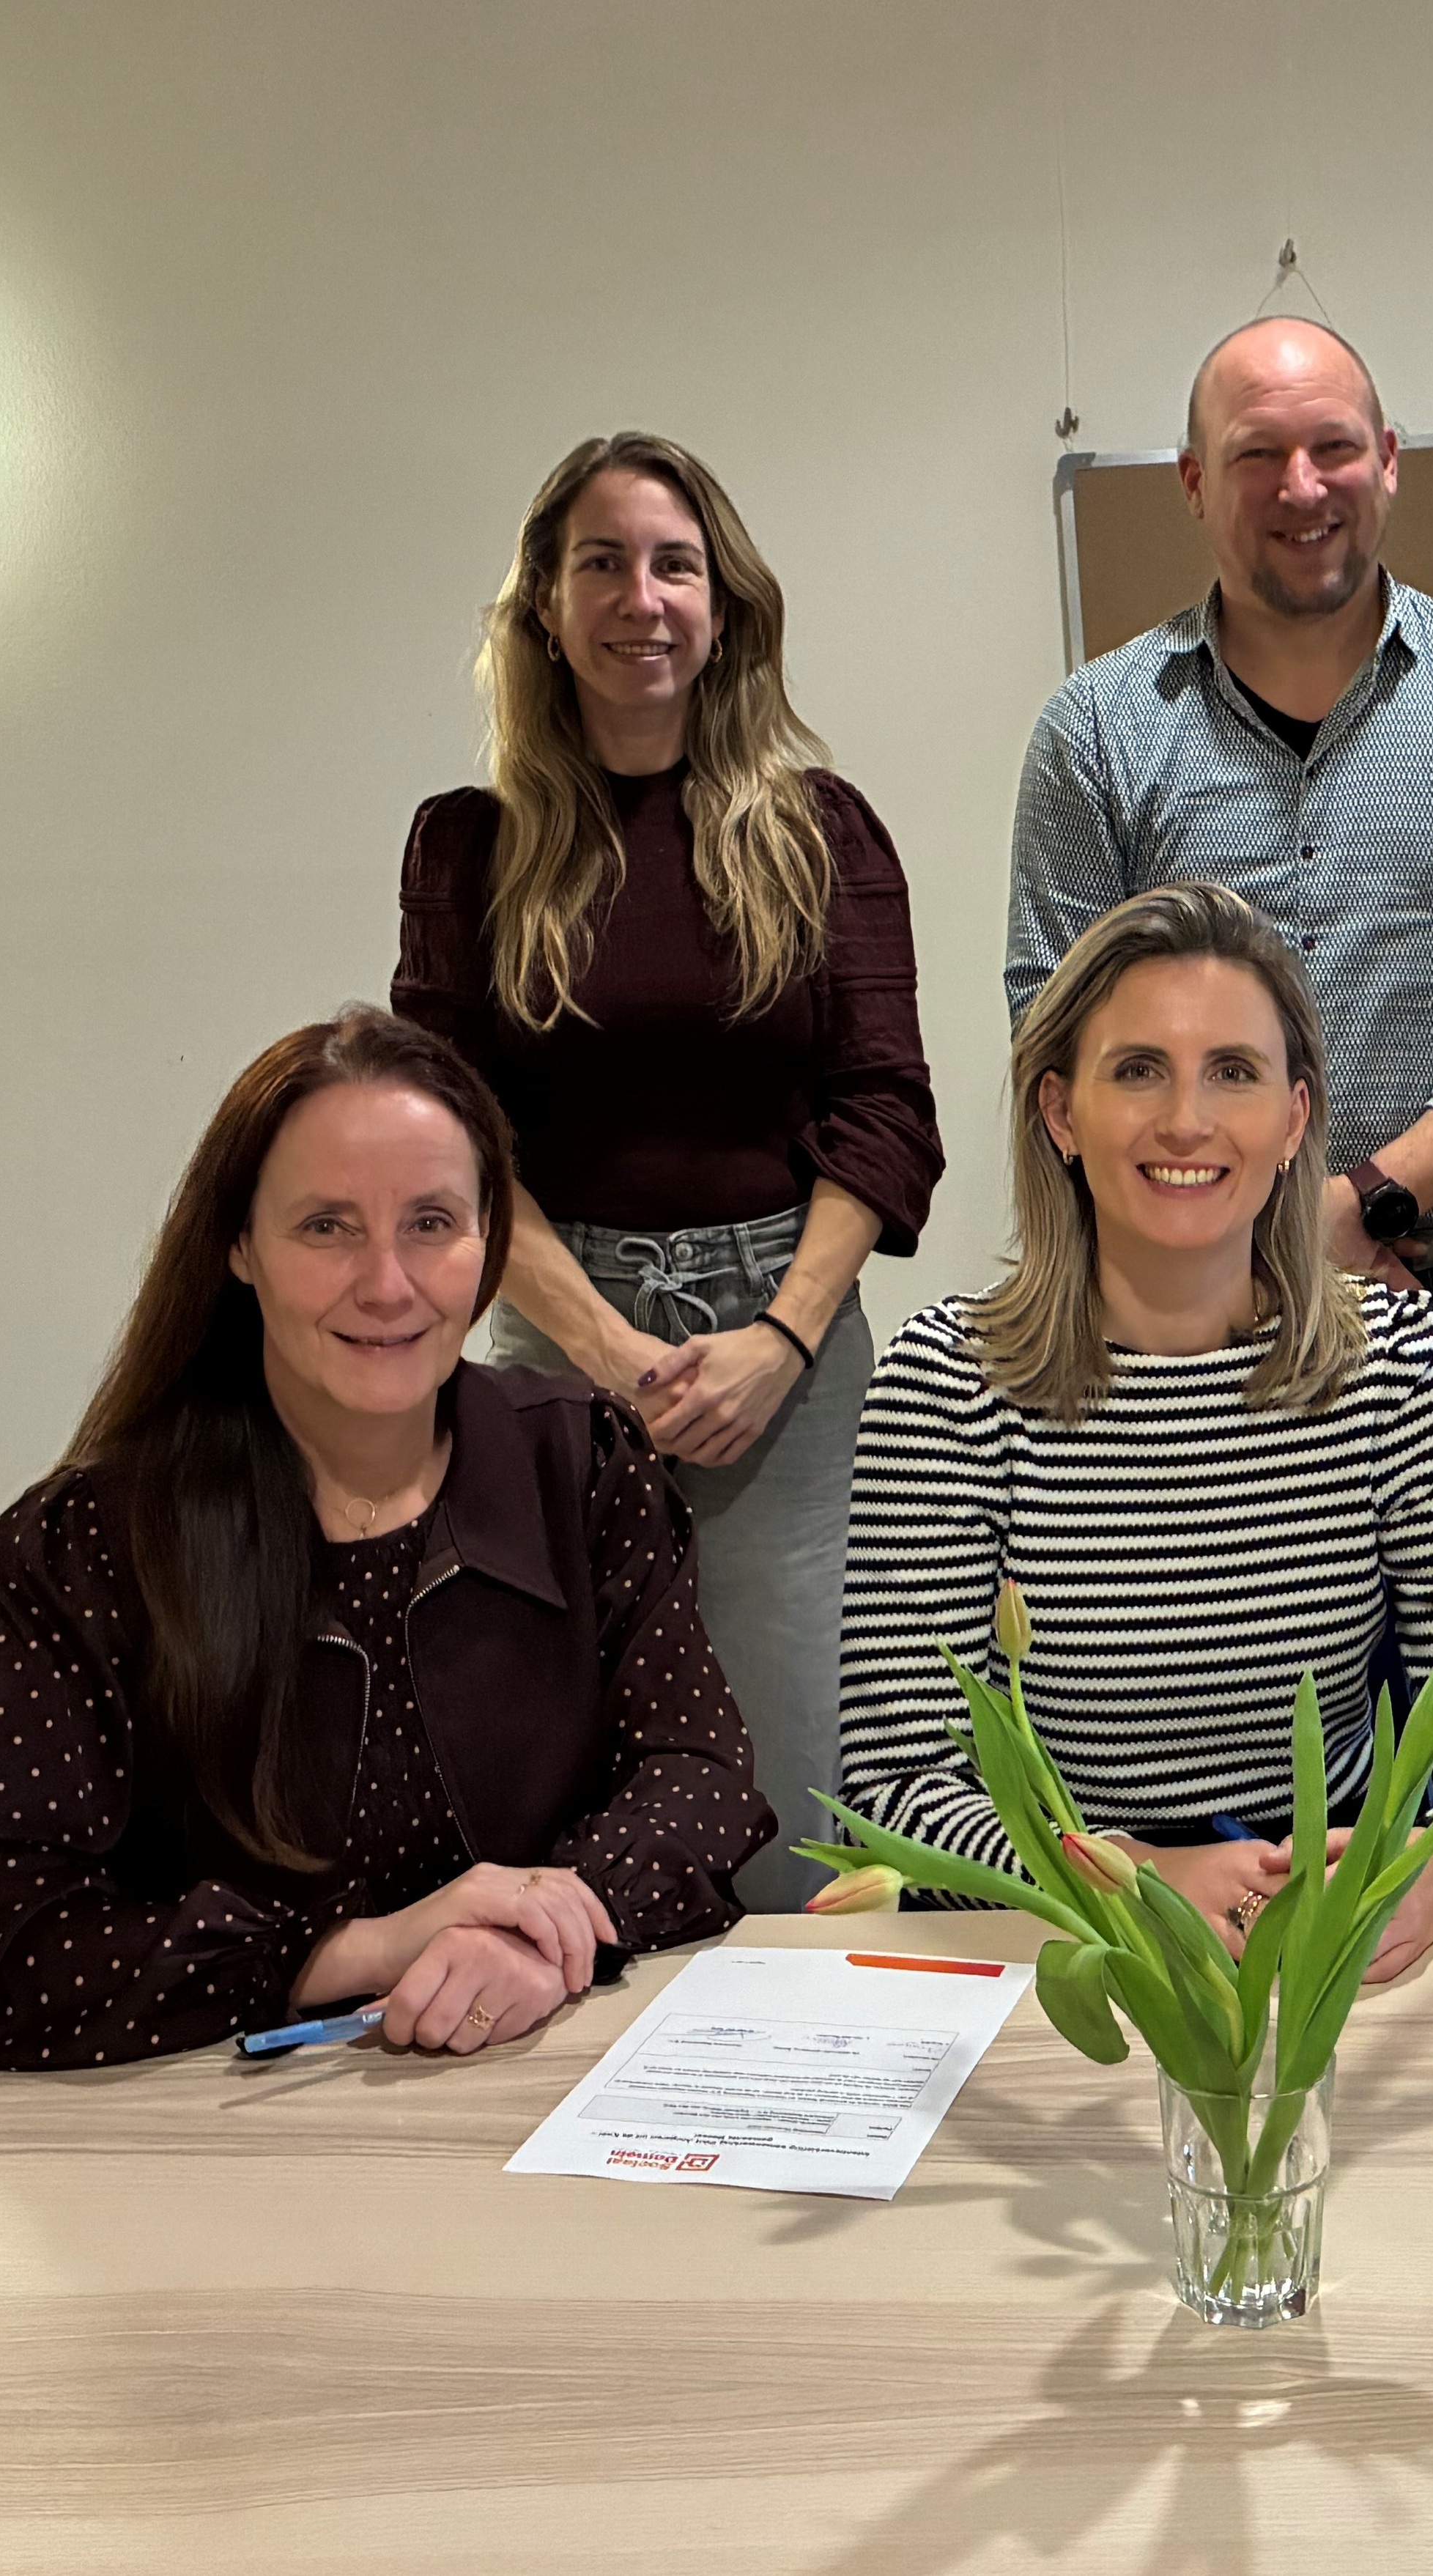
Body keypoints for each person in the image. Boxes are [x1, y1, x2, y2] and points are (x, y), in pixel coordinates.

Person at [0, 1008, 771, 2070]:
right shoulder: (91, 1542)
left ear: (490, 1244)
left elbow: (699, 1772)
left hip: (546, 2078)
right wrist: (356, 1950)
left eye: (433, 1221)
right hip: (211, 2129)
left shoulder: (582, 1465)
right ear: (238, 1247)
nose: (389, 1283)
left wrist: (550, 1925)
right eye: (327, 1226)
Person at [840, 883, 1433, 1982]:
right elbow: (897, 1784)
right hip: (1064, 1943)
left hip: (1328, 1933)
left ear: (1293, 1121)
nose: (1186, 1118)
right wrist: (1131, 1875)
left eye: (1232, 1071)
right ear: (1060, 1112)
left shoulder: (1397, 1356)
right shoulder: (949, 1380)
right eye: (1136, 1068)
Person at [395, 431, 941, 1912]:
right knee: (562, 1738)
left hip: (786, 1340)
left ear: (724, 602)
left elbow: (885, 1110)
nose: (641, 596)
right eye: (602, 562)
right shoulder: (470, 848)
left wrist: (779, 1336)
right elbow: (453, 1138)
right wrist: (604, 1347)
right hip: (555, 1340)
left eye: (674, 562)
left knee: (791, 1763)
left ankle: (789, 2080)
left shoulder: (822, 833)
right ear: (546, 607)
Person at [1006, 319, 1433, 1535]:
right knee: (1195, 1688)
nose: (1300, 489)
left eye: (1333, 447)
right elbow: (1049, 1011)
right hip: (1174, 1310)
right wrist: (1254, 1228)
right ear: (1193, 482)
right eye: (1254, 455)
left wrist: (1362, 1207)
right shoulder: (1096, 729)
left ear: (1387, 461)